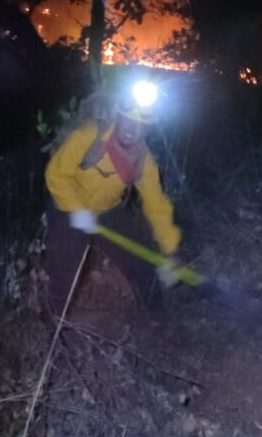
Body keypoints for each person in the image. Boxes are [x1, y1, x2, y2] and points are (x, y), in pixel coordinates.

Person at [44, 88, 181, 312]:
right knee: (65, 264)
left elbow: (157, 206)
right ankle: (54, 324)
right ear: (118, 116)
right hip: (68, 205)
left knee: (140, 256)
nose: (132, 129)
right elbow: (56, 174)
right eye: (128, 120)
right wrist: (76, 209)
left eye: (140, 124)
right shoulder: (89, 135)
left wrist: (171, 251)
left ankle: (156, 320)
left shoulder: (143, 162)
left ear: (147, 128)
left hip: (108, 211)